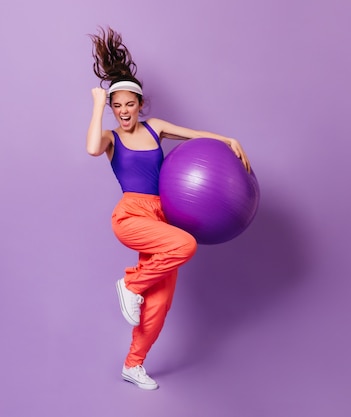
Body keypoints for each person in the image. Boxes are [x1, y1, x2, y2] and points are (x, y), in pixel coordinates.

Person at [86, 27, 251, 390]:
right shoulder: (111, 138)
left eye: (130, 105)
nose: (124, 112)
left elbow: (194, 136)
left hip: (164, 215)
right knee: (184, 246)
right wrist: (97, 106)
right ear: (112, 109)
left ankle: (134, 364)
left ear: (140, 105)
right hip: (131, 215)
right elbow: (91, 149)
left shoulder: (155, 127)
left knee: (159, 304)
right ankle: (130, 284)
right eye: (117, 107)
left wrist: (228, 140)